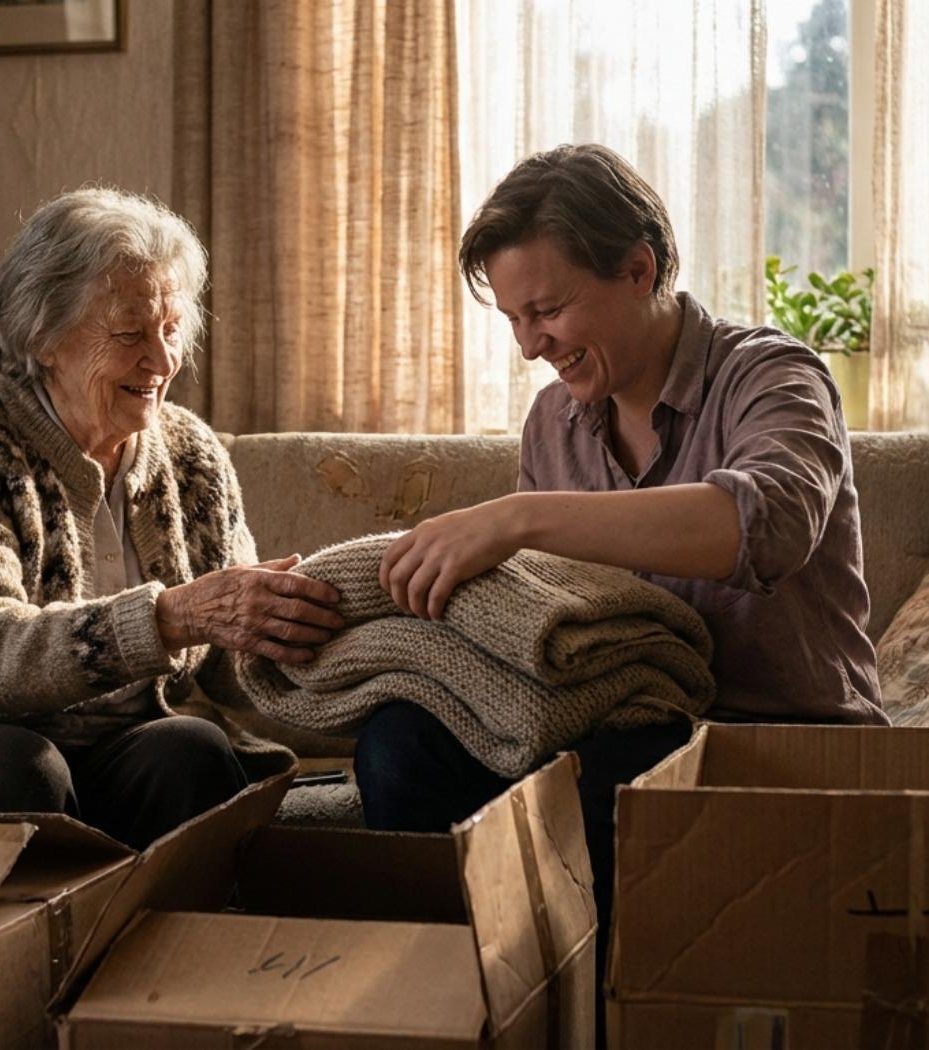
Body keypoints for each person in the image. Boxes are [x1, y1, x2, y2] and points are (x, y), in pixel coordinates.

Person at [355, 144, 887, 1036]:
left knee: (606, 788)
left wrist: (519, 518)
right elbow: (547, 620)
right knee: (400, 746)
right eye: (516, 321)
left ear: (639, 268)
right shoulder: (554, 421)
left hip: (778, 737)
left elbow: (766, 526)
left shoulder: (772, 374)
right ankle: (453, 1017)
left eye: (549, 310)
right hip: (619, 724)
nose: (531, 347)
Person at [0, 187, 343, 848]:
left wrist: (331, 645)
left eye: (171, 329)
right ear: (44, 336)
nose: (162, 360)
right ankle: (23, 953)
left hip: (121, 737)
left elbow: (229, 666)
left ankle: (174, 949)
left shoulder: (191, 456)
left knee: (194, 751)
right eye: (130, 334)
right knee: (20, 769)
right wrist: (171, 617)